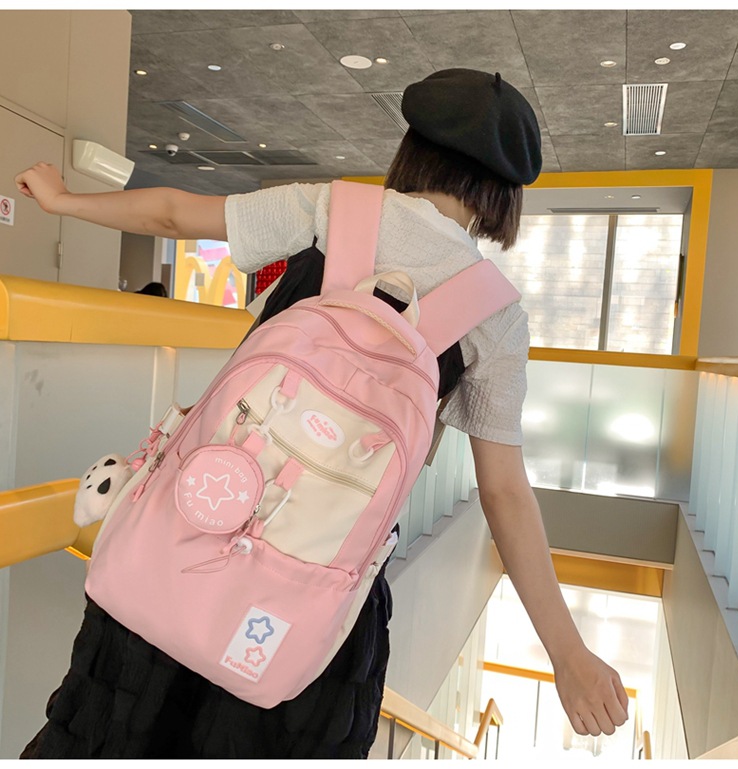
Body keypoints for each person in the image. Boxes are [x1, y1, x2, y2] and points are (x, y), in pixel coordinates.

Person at [14, 68, 628, 759]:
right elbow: (505, 492)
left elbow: (173, 216)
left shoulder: (335, 208)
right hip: (305, 601)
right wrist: (568, 654)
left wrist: (63, 200)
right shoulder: (495, 316)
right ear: (504, 198)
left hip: (190, 524)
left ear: (412, 150)